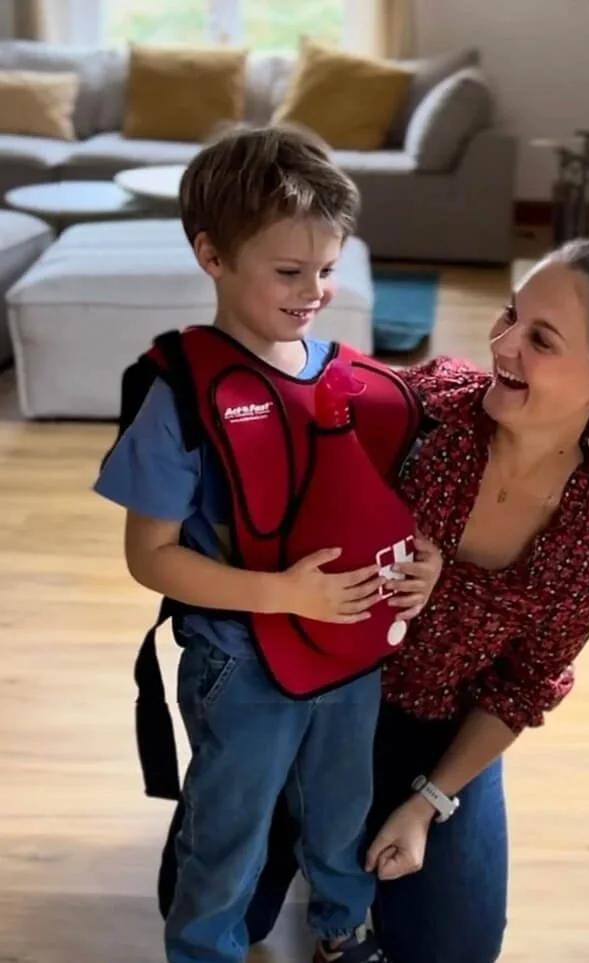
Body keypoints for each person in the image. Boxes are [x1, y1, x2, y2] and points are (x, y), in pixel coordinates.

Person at [93, 125, 442, 963]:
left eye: (326, 269)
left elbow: (368, 508)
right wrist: (285, 594)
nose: (314, 290)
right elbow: (150, 558)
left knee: (340, 812)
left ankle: (341, 930)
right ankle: (205, 949)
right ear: (212, 256)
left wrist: (420, 561)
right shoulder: (179, 393)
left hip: (351, 656)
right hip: (241, 662)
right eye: (289, 272)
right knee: (229, 833)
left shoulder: (348, 374)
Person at [362, 238, 589, 963]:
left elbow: (522, 687)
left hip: (443, 732)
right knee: (237, 886)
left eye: (540, 337)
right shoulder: (427, 409)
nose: (502, 343)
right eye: (510, 315)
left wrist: (427, 802)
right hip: (323, 701)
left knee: (455, 950)